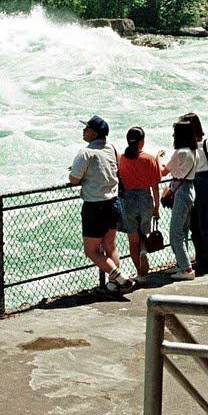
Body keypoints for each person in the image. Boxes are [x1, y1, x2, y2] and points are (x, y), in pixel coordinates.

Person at [70, 115, 135, 292]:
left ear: (94, 133)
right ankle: (113, 286)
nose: (84, 130)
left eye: (87, 128)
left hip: (95, 206)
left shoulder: (85, 153)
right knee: (110, 246)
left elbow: (74, 179)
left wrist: (76, 172)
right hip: (113, 203)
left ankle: (120, 278)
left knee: (91, 251)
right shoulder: (112, 148)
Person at [180, 113, 208, 275]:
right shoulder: (186, 146)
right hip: (193, 183)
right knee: (194, 224)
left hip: (205, 183)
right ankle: (201, 259)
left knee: (205, 223)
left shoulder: (206, 144)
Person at [117, 127, 163, 284]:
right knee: (143, 234)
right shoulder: (149, 159)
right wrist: (156, 207)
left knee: (133, 240)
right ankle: (144, 250)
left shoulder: (121, 159)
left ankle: (140, 274)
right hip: (145, 199)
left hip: (128, 200)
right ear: (142, 141)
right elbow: (155, 186)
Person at [160, 120, 200, 280]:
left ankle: (186, 269)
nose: (173, 135)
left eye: (175, 132)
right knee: (183, 231)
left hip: (181, 191)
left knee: (175, 233)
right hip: (189, 189)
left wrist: (156, 158)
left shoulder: (180, 152)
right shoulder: (193, 151)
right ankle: (182, 263)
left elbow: (163, 172)